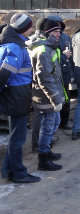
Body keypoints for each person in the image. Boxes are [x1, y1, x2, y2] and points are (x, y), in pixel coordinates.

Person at [0, 13, 40, 183]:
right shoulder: (15, 48)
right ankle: (19, 173)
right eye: (29, 27)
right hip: (17, 95)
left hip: (15, 94)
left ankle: (7, 170)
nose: (31, 30)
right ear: (22, 28)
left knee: (15, 134)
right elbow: (5, 73)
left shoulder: (10, 44)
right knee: (18, 138)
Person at [27, 18, 68, 171]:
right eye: (56, 32)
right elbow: (44, 78)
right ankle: (43, 159)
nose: (59, 34)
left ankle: (47, 151)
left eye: (59, 31)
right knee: (47, 127)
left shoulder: (48, 47)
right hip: (46, 97)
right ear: (47, 33)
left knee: (53, 123)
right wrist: (55, 99)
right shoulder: (43, 50)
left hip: (49, 95)